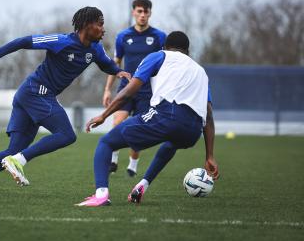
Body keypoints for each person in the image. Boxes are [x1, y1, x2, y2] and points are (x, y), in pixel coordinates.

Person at [0, 7, 131, 197]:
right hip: (36, 92)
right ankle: (20, 160)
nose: (104, 29)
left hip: (30, 95)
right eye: (100, 24)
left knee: (12, 151)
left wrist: (117, 71)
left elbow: (105, 63)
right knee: (67, 135)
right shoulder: (61, 41)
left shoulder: (95, 49)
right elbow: (23, 41)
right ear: (87, 25)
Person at [77, 31, 219, 207]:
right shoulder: (201, 72)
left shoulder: (159, 56)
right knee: (171, 143)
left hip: (167, 114)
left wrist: (104, 115)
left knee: (106, 142)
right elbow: (210, 116)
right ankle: (142, 184)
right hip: (193, 130)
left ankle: (101, 194)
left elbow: (130, 90)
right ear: (187, 52)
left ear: (165, 47)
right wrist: (210, 155)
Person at [102, 0, 166, 177]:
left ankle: (133, 165)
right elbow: (115, 62)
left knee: (138, 129)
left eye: (146, 12)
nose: (143, 15)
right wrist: (107, 89)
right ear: (133, 12)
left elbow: (166, 64)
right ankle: (113, 160)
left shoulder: (159, 37)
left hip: (147, 92)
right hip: (126, 88)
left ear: (150, 13)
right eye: (139, 11)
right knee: (117, 122)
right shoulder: (123, 36)